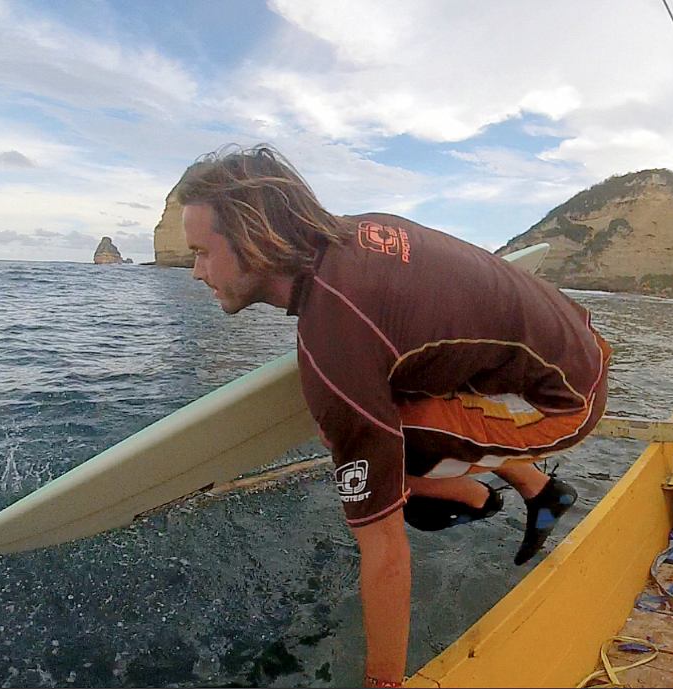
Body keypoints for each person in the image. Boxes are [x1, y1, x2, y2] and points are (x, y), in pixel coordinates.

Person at [174, 145, 612, 687]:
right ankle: (536, 492)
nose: (195, 272)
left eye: (201, 252)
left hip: (563, 399)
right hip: (570, 340)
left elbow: (384, 555)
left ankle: (482, 497)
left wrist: (383, 682)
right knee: (363, 430)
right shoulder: (360, 231)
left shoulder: (335, 342)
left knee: (377, 480)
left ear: (253, 238)